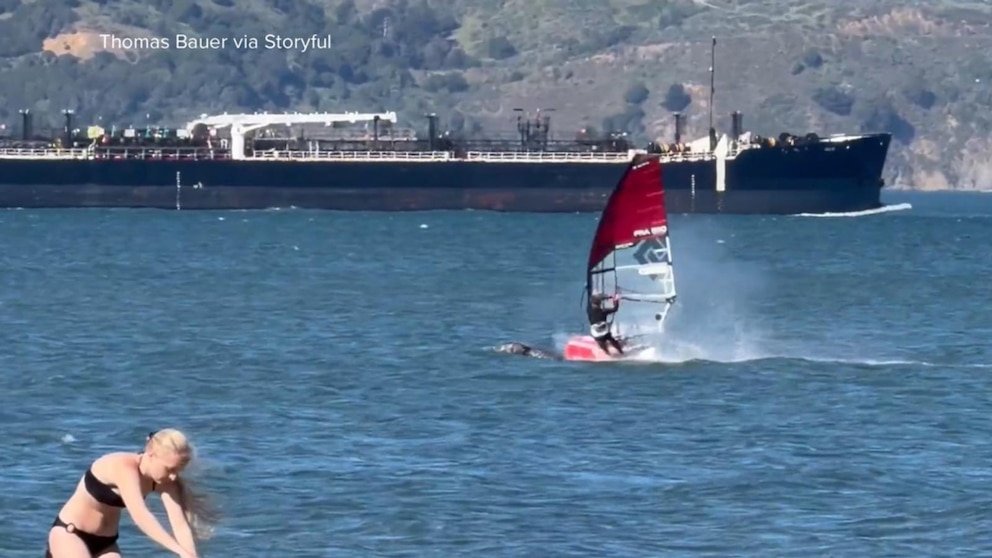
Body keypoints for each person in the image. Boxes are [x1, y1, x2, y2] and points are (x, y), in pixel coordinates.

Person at [46, 428, 216, 558]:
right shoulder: (124, 467)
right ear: (151, 454)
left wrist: (191, 555)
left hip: (107, 544)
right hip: (71, 534)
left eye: (178, 470)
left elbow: (180, 526)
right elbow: (141, 516)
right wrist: (179, 550)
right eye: (169, 469)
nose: (173, 476)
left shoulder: (166, 481)